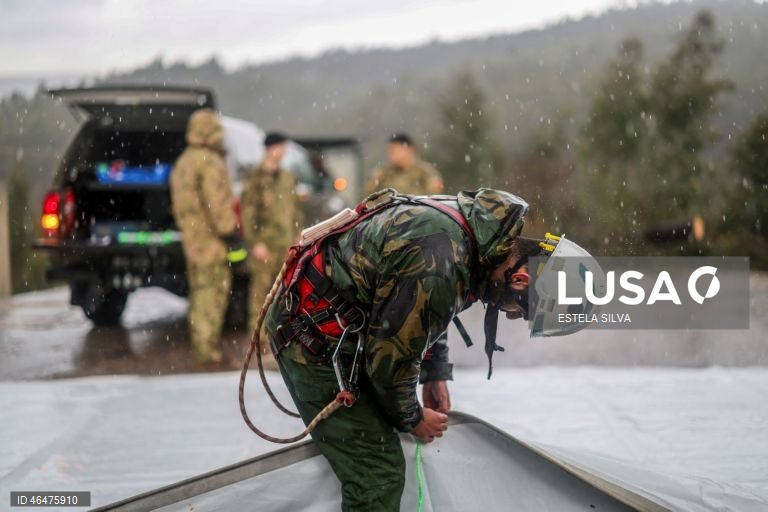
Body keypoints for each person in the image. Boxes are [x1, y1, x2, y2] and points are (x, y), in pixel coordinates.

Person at [264, 187, 595, 511]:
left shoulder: (478, 235)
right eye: (520, 310)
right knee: (378, 472)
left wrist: (434, 372)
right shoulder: (441, 259)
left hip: (341, 321)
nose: (511, 314)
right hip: (310, 341)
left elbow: (423, 308)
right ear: (521, 279)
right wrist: (412, 417)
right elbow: (388, 363)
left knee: (382, 436)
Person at [170, 108, 240, 364]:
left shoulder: (183, 161)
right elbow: (217, 204)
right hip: (211, 242)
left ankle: (202, 345)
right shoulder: (209, 162)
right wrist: (230, 229)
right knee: (213, 293)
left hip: (192, 240)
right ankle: (208, 352)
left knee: (200, 293)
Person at [241, 132, 301, 368]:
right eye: (280, 147)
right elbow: (248, 213)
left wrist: (298, 234)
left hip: (286, 245)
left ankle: (282, 338)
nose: (283, 152)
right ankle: (259, 341)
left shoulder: (287, 177)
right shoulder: (255, 178)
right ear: (269, 149)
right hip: (265, 245)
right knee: (260, 295)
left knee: (285, 294)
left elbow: (294, 208)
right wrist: (255, 242)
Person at [365, 133, 444, 196]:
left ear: (409, 150)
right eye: (390, 151)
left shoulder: (425, 172)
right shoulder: (382, 174)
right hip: (388, 215)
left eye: (395, 151)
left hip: (418, 215)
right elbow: (369, 198)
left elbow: (434, 198)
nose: (391, 155)